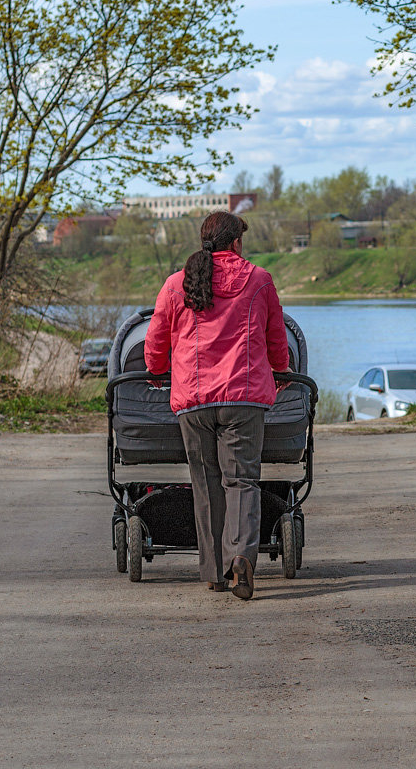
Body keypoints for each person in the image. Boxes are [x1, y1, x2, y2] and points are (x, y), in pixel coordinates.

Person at [144, 211, 290, 600]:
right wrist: (282, 369)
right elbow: (276, 337)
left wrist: (156, 370)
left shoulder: (177, 284)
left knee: (206, 486)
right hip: (243, 400)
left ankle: (213, 572)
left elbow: (157, 338)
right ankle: (240, 558)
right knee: (241, 480)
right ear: (236, 243)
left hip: (193, 402)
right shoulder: (259, 281)